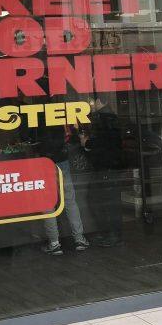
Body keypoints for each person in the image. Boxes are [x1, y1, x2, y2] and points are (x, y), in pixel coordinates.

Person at [35, 121, 89, 255]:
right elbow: (68, 136)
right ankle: (79, 239)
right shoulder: (57, 114)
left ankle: (54, 243)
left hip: (45, 160)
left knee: (48, 203)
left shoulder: (37, 116)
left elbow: (34, 138)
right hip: (62, 159)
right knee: (70, 200)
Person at [82, 94, 126, 247]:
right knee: (103, 201)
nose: (90, 104)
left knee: (105, 201)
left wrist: (87, 143)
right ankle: (110, 233)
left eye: (91, 101)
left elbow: (103, 142)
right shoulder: (108, 117)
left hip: (106, 166)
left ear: (99, 101)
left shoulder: (104, 118)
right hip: (108, 165)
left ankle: (112, 234)